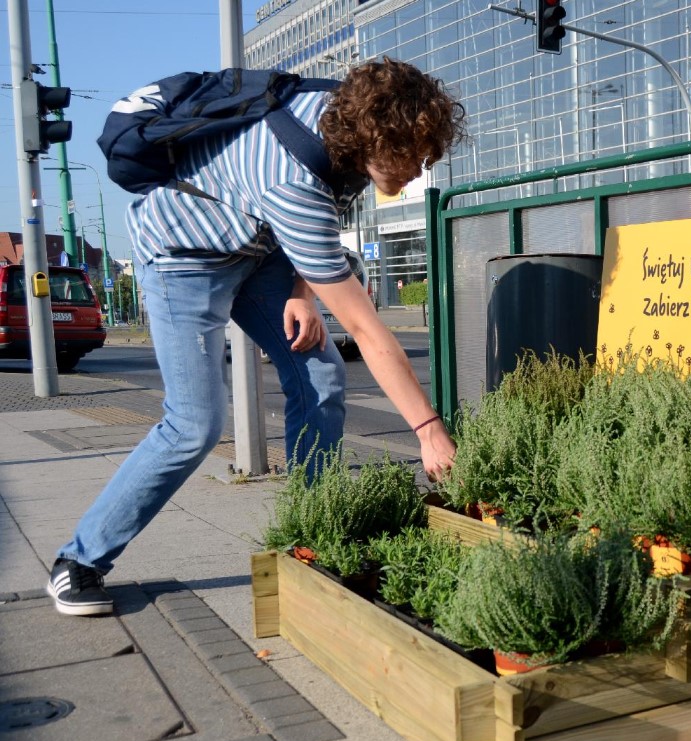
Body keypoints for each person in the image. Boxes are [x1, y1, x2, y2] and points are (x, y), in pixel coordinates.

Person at [46, 58, 466, 617]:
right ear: (376, 134)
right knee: (194, 424)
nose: (420, 167)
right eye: (412, 153)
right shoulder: (291, 177)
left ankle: (315, 536)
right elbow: (366, 327)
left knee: (319, 372)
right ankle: (80, 560)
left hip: (256, 248)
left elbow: (327, 217)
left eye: (428, 153)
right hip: (184, 258)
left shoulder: (340, 123)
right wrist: (428, 430)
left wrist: (302, 289)